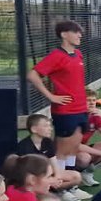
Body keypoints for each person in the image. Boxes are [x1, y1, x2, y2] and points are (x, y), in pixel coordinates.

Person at [27, 20, 89, 183]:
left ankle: (71, 185)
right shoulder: (56, 55)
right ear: (64, 34)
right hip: (65, 110)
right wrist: (51, 96)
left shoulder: (78, 54)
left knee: (74, 147)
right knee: (62, 150)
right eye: (75, 32)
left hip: (81, 108)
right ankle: (59, 185)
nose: (79, 35)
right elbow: (32, 75)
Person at [16, 114, 89, 201]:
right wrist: (49, 180)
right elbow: (28, 173)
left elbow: (54, 161)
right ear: (34, 129)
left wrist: (56, 178)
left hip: (47, 174)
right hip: (34, 178)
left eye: (50, 125)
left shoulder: (48, 142)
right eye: (46, 126)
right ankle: (42, 194)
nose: (50, 128)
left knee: (76, 176)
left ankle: (58, 191)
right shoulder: (24, 146)